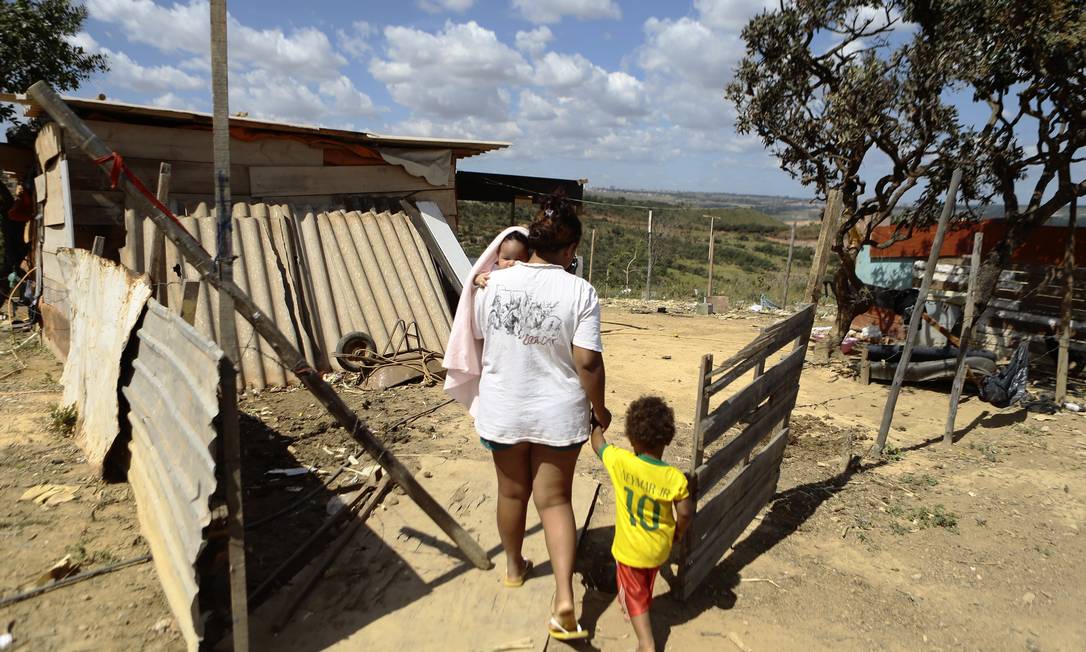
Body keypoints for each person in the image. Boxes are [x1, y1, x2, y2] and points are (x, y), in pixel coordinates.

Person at [463, 193, 609, 641]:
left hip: (504, 405)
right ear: (569, 252)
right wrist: (600, 411)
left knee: (512, 493)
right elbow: (587, 362)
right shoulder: (580, 291)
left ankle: (513, 567)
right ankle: (565, 598)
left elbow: (482, 338)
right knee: (555, 501)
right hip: (558, 412)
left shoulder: (490, 285)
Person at [590, 396, 693, 652]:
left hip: (629, 552)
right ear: (667, 439)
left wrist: (596, 423)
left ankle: (646, 643)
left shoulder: (621, 462)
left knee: (632, 595)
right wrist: (678, 532)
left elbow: (598, 445)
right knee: (645, 581)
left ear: (632, 438)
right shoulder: (673, 478)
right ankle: (642, 607)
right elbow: (686, 511)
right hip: (659, 548)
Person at [1, 179, 33, 285]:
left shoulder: (14, 260)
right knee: (7, 199)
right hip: (8, 224)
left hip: (13, 221)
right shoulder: (11, 261)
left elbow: (26, 246)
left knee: (9, 200)